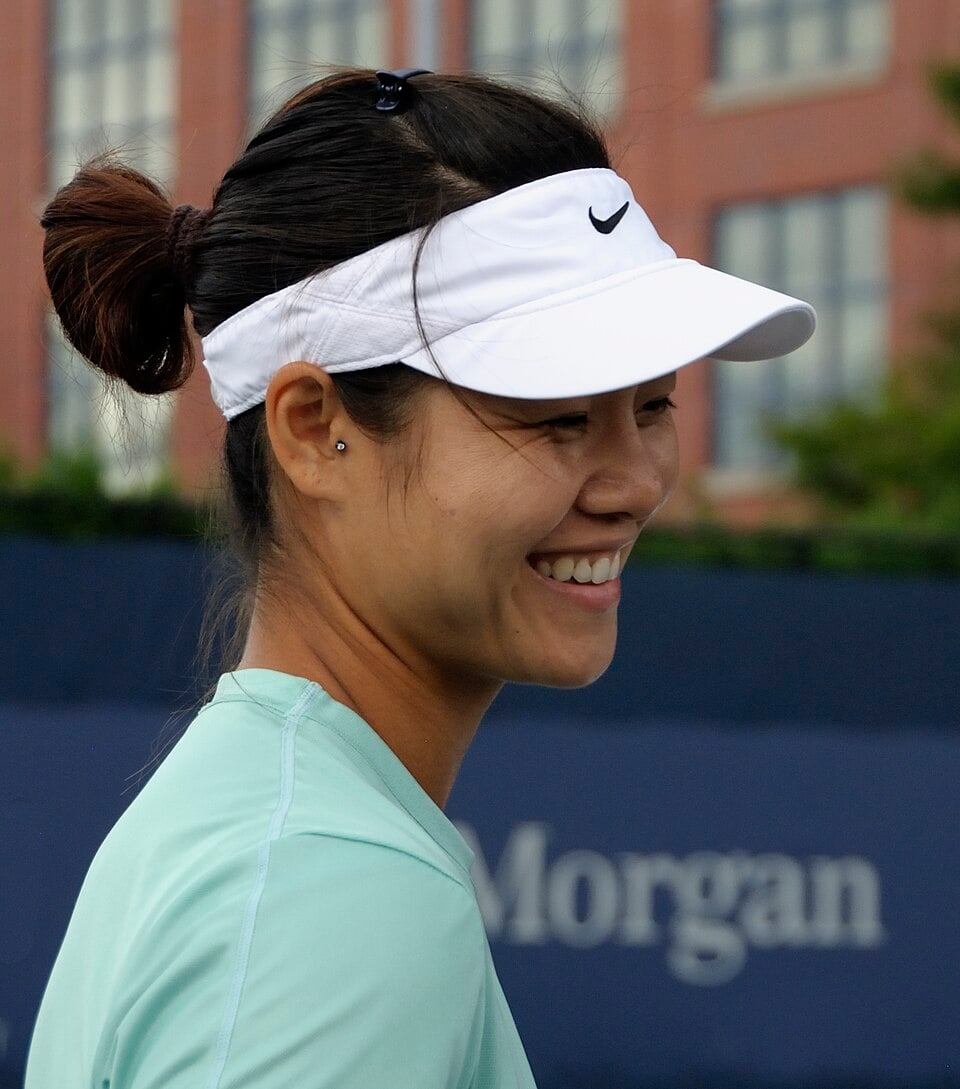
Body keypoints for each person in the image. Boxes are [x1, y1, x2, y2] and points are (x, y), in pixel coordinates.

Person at [25, 68, 815, 1089]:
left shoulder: (272, 834)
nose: (635, 483)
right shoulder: (329, 889)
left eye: (653, 405)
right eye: (559, 415)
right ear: (313, 429)